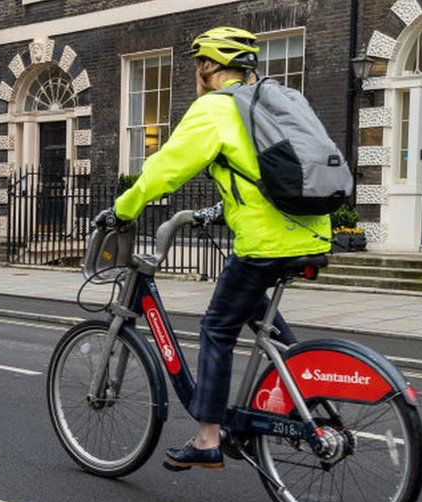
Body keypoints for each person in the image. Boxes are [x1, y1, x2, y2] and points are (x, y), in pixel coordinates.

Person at [95, 27, 331, 471]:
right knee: (257, 314)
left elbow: (163, 170)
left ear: (207, 66)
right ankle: (309, 393)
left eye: (196, 65)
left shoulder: (215, 109)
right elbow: (261, 173)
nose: (195, 73)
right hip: (312, 230)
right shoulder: (272, 103)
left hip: (268, 241)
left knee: (217, 328)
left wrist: (123, 210)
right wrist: (220, 210)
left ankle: (207, 438)